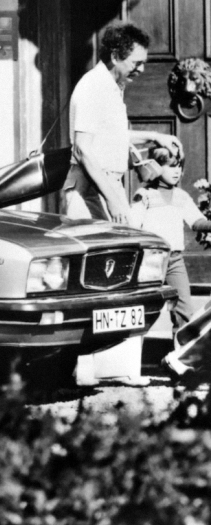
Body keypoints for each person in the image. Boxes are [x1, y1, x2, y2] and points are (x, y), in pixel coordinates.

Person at [62, 21, 182, 387]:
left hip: (107, 184)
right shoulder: (92, 87)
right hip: (88, 191)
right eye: (137, 62)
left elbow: (114, 137)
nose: (142, 69)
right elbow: (83, 149)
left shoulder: (113, 88)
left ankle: (120, 367)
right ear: (116, 55)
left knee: (121, 280)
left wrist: (154, 135)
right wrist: (113, 196)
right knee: (87, 282)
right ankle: (79, 369)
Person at [129, 146, 208, 333]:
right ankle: (133, 354)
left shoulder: (181, 196)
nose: (177, 171)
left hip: (174, 260)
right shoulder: (145, 195)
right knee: (142, 310)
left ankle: (181, 355)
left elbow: (197, 222)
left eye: (179, 166)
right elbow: (132, 226)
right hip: (150, 260)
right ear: (155, 167)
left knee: (184, 310)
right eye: (170, 166)